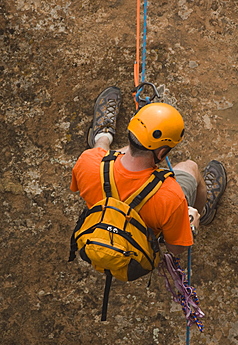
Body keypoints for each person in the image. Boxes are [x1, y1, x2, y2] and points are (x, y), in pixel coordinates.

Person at [70, 86, 227, 255]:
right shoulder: (171, 197)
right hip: (136, 243)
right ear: (162, 152)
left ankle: (102, 135)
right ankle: (202, 212)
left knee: (100, 150)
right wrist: (191, 227)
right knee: (190, 167)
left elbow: (84, 179)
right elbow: (176, 249)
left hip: (99, 229)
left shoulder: (87, 161)